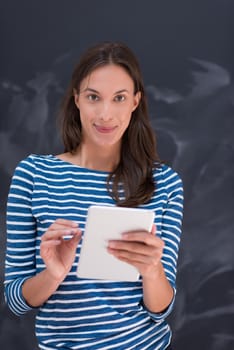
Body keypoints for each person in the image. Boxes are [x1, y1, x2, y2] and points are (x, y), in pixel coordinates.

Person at [4, 41, 183, 350]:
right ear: (76, 99)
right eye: (93, 97)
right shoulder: (33, 175)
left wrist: (153, 270)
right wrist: (53, 274)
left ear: (135, 102)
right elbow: (16, 301)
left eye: (119, 98)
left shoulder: (164, 183)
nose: (105, 114)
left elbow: (161, 310)